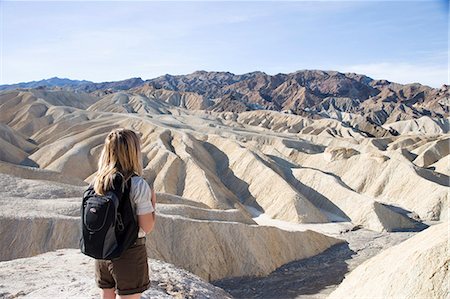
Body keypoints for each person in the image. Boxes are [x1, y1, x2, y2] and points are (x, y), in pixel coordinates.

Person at [92, 128, 156, 299]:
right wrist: (153, 204)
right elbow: (147, 227)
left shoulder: (99, 181)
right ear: (134, 152)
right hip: (129, 252)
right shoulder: (137, 184)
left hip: (103, 252)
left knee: (107, 294)